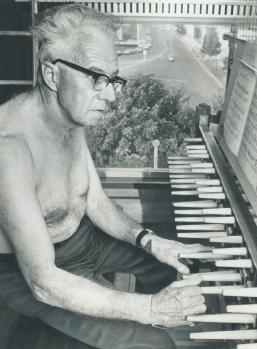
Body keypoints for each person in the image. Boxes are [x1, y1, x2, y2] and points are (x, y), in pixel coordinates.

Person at [0, 4, 208, 349]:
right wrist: (151, 309)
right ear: (52, 75)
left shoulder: (70, 116)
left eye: (113, 80)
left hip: (83, 239)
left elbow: (93, 199)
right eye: (97, 78)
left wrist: (150, 240)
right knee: (154, 344)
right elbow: (44, 281)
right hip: (30, 272)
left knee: (184, 267)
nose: (111, 95)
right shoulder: (9, 148)